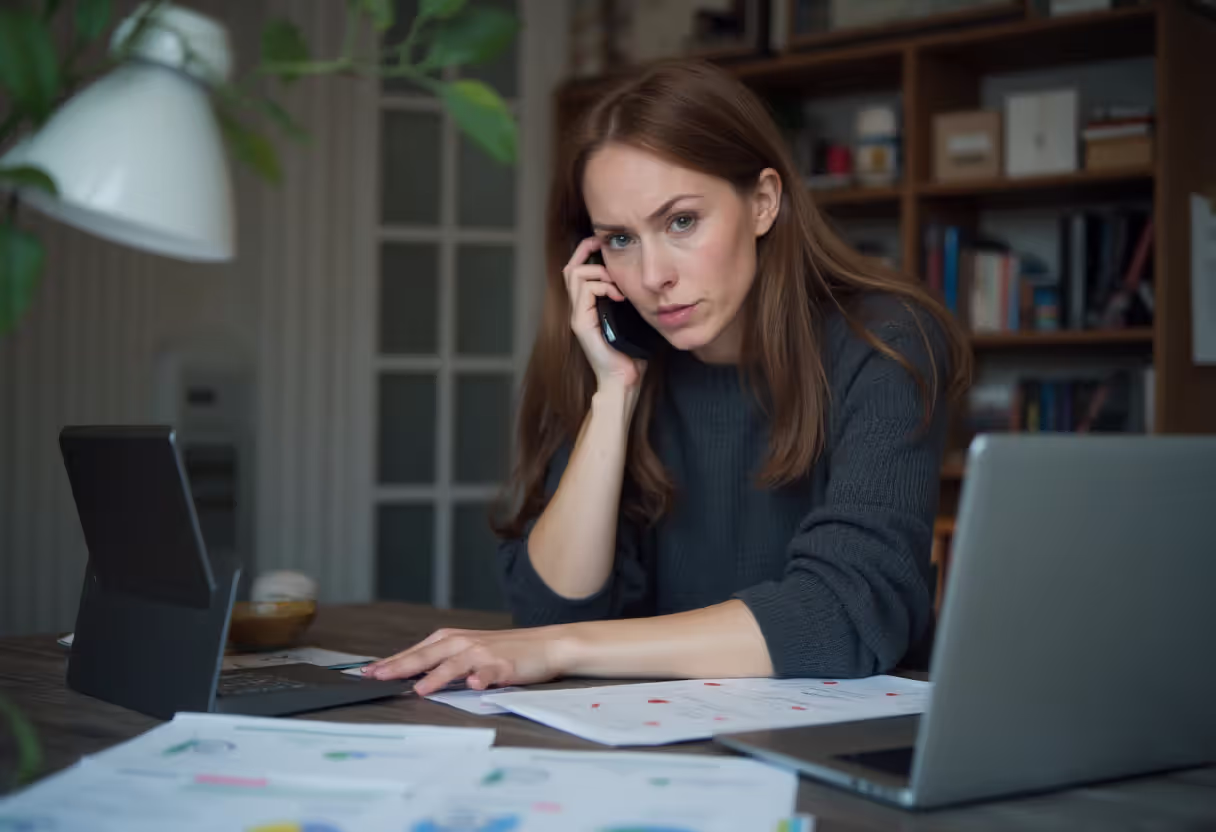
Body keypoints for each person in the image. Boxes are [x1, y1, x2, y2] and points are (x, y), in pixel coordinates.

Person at [363, 59, 970, 695]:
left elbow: (844, 612)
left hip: (842, 748)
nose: (653, 276)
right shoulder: (617, 357)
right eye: (620, 240)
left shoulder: (885, 342)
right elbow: (550, 611)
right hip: (662, 743)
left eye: (681, 222)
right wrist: (613, 395)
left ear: (763, 202)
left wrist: (562, 647)